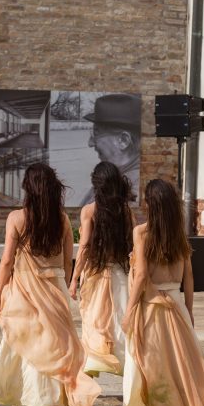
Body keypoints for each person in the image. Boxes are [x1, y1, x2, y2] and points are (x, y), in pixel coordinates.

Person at [0, 163, 101, 406]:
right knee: (62, 348)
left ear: (28, 188)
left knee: (18, 345)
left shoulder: (16, 218)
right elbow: (67, 259)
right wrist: (66, 284)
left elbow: (7, 260)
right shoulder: (62, 219)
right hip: (54, 287)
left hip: (24, 289)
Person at [111, 179, 204, 406]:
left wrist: (129, 310)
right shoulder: (178, 235)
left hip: (151, 307)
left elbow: (141, 276)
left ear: (152, 205)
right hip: (177, 305)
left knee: (139, 364)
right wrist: (189, 310)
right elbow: (189, 276)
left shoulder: (142, 233)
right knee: (177, 367)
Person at [69, 161, 134, 378]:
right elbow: (132, 247)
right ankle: (128, 371)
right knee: (121, 325)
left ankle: (90, 371)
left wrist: (74, 278)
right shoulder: (126, 212)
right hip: (121, 274)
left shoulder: (90, 211)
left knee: (94, 323)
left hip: (96, 274)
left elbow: (84, 247)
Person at [80, 94, 141, 204]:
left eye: (96, 133)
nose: (90, 143)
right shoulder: (115, 179)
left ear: (123, 140)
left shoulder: (130, 193)